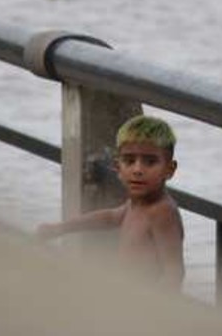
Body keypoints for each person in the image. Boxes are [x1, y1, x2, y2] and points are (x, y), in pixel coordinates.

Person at [37, 115, 185, 289]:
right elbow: (109, 218)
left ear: (169, 169)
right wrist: (61, 228)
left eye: (150, 162)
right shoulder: (135, 205)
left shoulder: (162, 212)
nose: (137, 170)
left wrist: (153, 308)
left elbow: (174, 271)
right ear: (118, 168)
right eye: (129, 161)